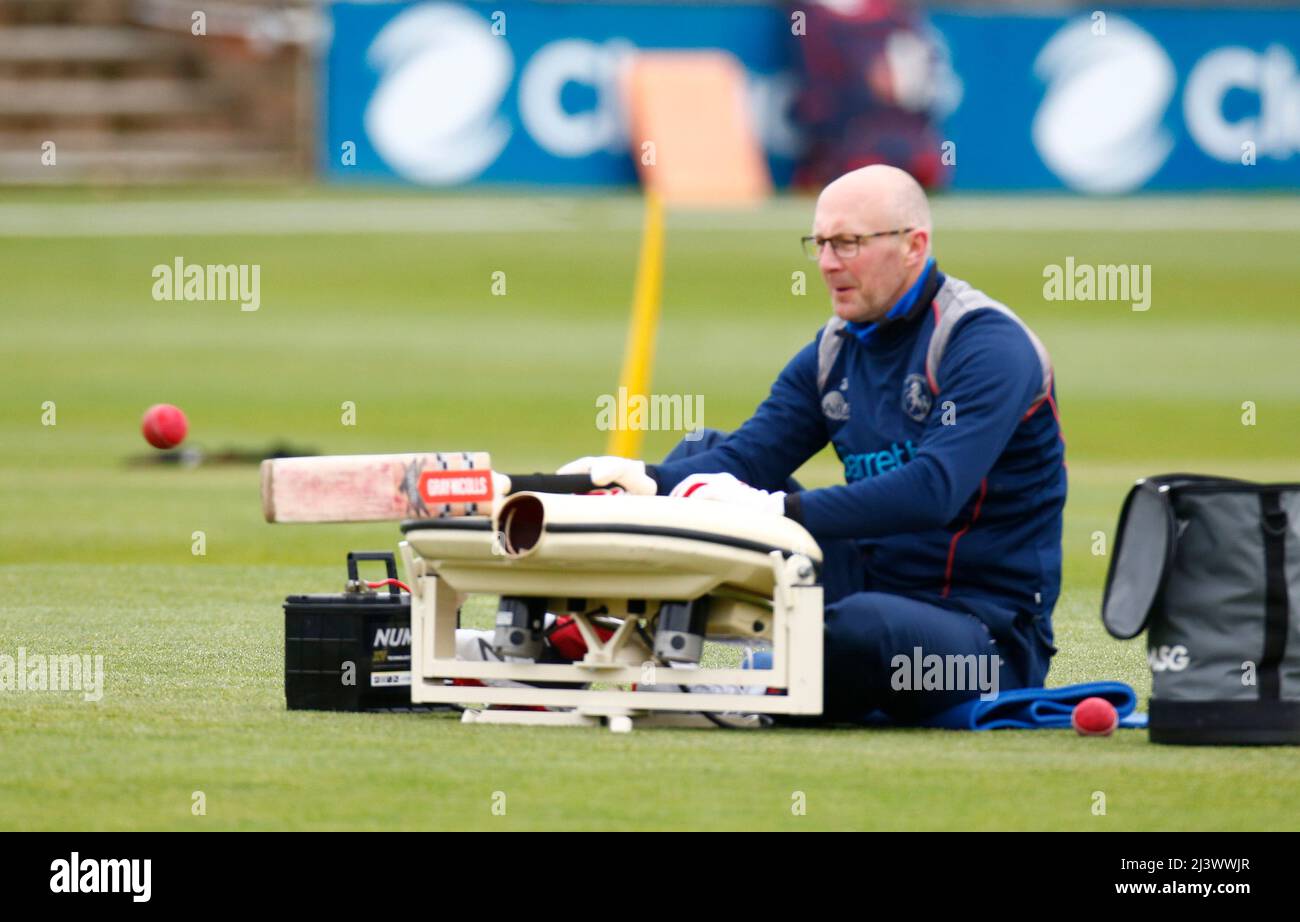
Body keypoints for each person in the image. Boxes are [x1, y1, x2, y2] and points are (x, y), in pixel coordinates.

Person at [559, 164, 1066, 724]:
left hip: (982, 640)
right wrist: (632, 480)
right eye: (820, 243)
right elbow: (745, 460)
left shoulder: (986, 345)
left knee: (863, 629)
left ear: (913, 246)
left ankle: (735, 690)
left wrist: (775, 509)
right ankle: (601, 641)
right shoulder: (834, 349)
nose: (827, 263)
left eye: (848, 243)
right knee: (697, 458)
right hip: (862, 587)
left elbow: (933, 491)